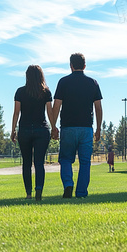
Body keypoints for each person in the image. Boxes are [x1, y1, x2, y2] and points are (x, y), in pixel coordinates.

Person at [51, 53, 102, 199]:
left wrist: (53, 127)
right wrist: (98, 129)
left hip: (68, 127)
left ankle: (68, 184)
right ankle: (81, 193)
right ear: (84, 66)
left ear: (71, 65)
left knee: (66, 159)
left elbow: (57, 106)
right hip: (86, 128)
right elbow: (98, 107)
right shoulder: (93, 83)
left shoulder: (63, 82)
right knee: (85, 162)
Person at [12, 64, 58, 200]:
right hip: (42, 130)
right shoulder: (46, 92)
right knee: (39, 163)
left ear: (27, 76)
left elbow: (16, 113)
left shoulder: (20, 92)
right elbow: (49, 112)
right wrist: (54, 127)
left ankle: (28, 193)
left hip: (24, 130)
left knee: (26, 162)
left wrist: (13, 130)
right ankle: (39, 191)